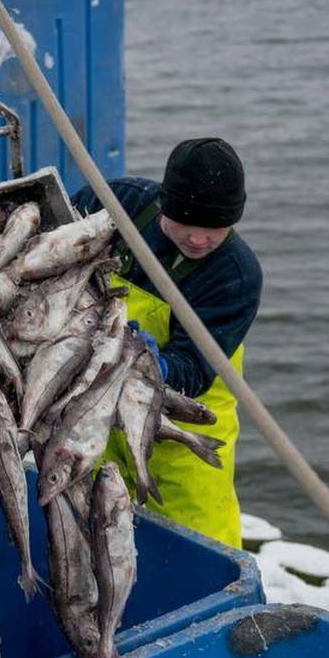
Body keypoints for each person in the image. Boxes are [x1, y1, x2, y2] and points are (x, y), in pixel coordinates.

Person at [71, 137, 263, 549]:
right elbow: (58, 245)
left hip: (183, 425)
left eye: (215, 227)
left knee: (200, 545)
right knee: (94, 529)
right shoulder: (118, 203)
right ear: (164, 204)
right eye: (186, 222)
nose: (199, 239)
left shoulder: (235, 275)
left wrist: (153, 364)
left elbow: (194, 367)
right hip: (96, 405)